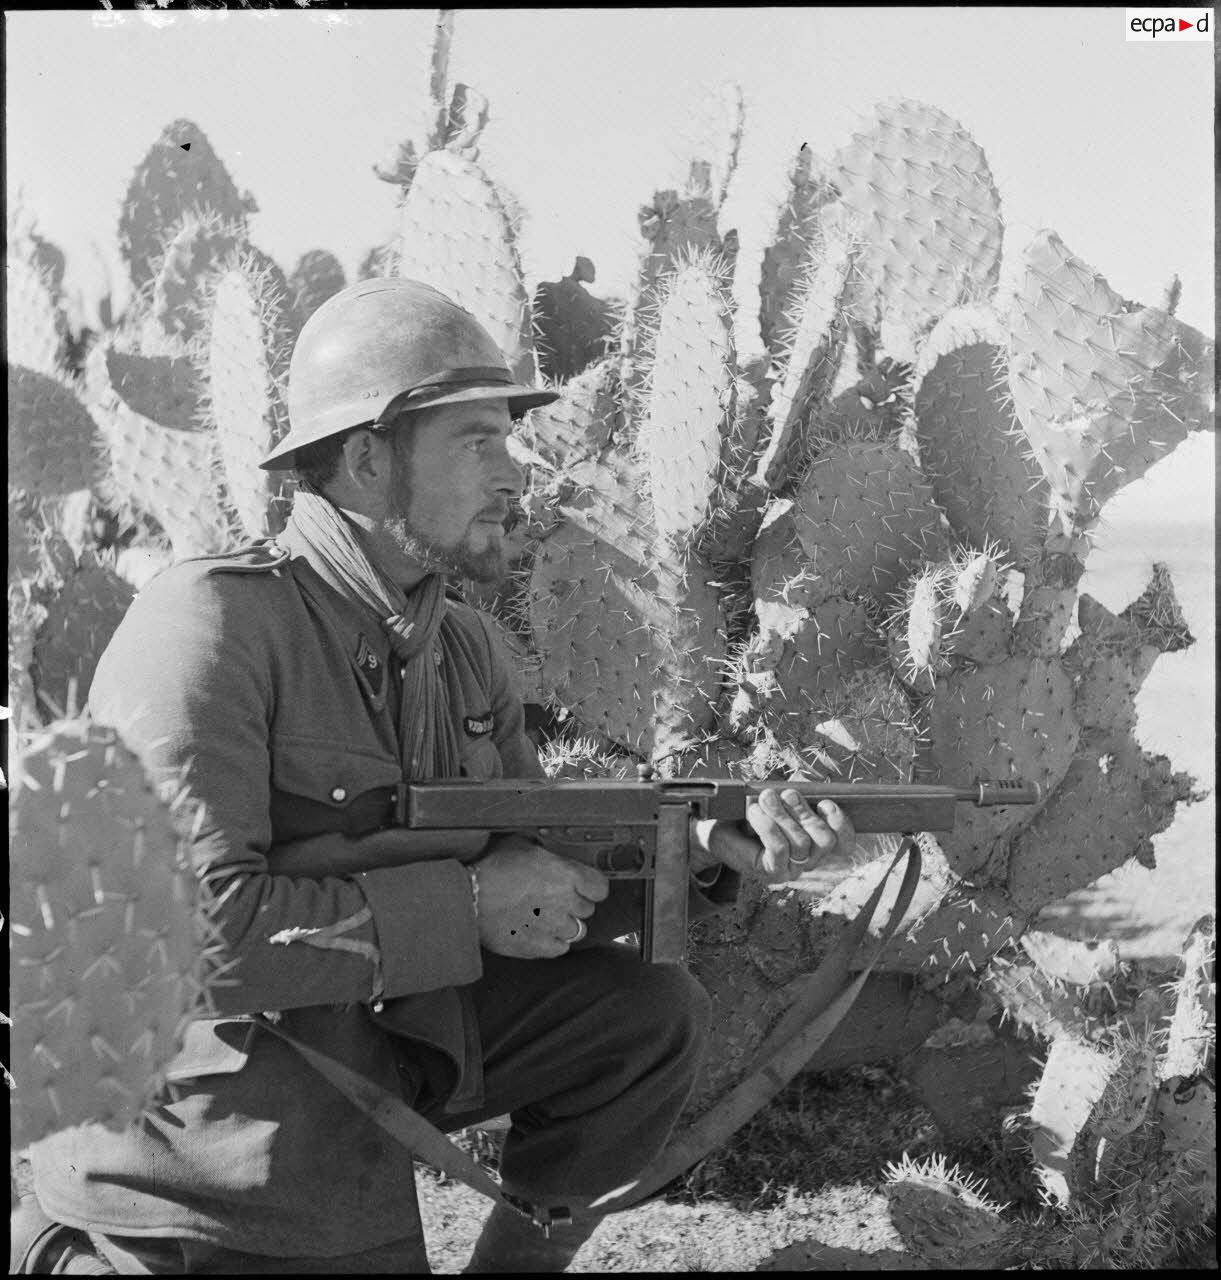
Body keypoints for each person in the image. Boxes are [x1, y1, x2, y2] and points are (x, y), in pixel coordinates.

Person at [10, 278, 855, 1274]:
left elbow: (526, 874)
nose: (516, 471)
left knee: (645, 1012)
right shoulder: (212, 626)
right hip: (198, 1150)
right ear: (369, 458)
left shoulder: (465, 648)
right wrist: (460, 903)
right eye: (480, 441)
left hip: (368, 1050)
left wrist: (702, 843)